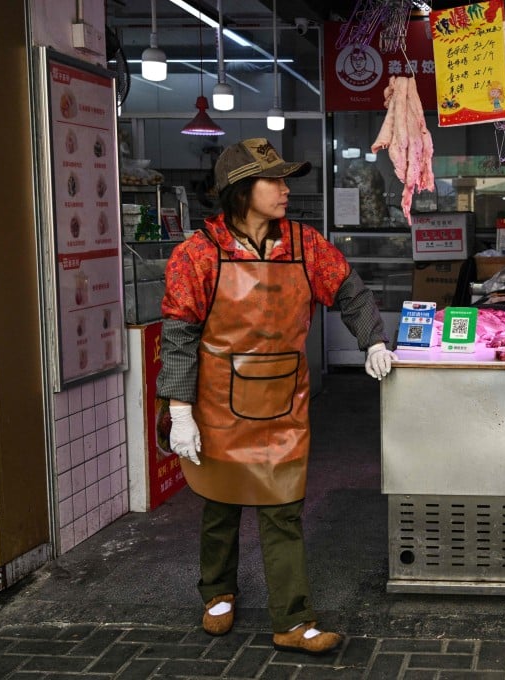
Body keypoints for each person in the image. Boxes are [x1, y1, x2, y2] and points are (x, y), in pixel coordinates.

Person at [156, 137, 397, 655]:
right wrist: (181, 411)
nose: (287, 191)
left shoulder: (306, 246)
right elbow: (177, 335)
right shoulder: (196, 255)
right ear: (241, 191)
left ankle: (292, 620)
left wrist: (372, 338)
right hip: (219, 403)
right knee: (220, 503)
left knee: (283, 509)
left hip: (284, 405)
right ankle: (217, 591)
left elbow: (349, 290)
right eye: (276, 181)